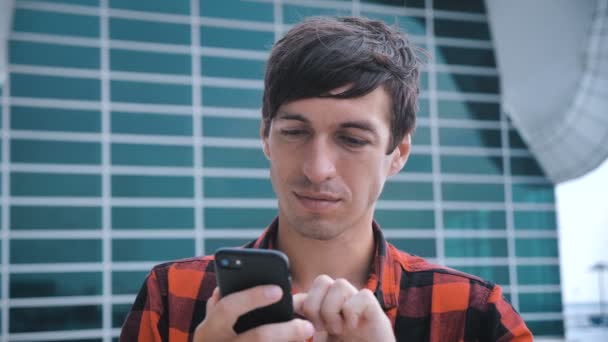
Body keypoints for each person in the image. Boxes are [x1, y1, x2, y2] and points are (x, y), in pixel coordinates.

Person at [120, 16, 533, 341]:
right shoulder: (171, 296)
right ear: (267, 138)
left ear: (398, 154)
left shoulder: (474, 313)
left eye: (352, 139)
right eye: (295, 132)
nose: (317, 169)